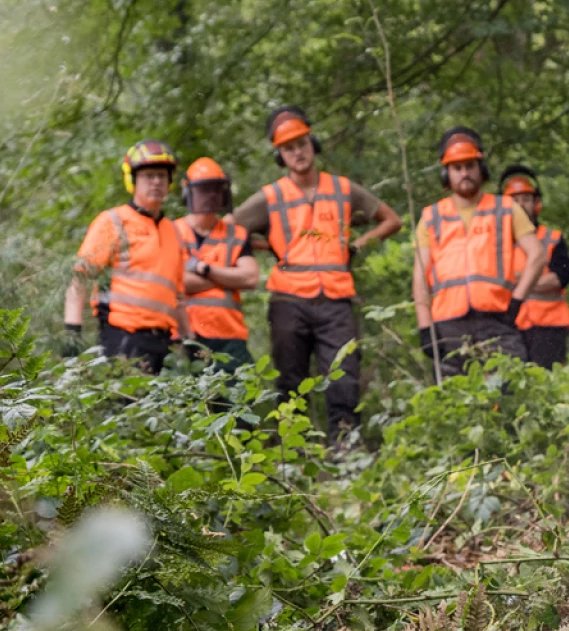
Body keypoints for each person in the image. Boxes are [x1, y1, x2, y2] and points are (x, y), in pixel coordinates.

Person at [231, 106, 402, 437]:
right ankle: (292, 455)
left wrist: (358, 245)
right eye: (288, 148)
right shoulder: (270, 196)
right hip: (288, 299)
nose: (297, 152)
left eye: (302, 144)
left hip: (336, 297)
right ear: (280, 155)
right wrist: (272, 247)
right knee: (290, 379)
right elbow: (228, 230)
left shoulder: (342, 189)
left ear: (314, 145)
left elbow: (391, 219)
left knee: (344, 375)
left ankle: (346, 453)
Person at [412, 127, 549, 375]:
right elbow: (420, 277)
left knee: (509, 392)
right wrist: (425, 328)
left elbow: (537, 255)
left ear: (481, 169)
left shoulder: (506, 208)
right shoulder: (431, 217)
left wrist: (517, 301)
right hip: (448, 325)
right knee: (454, 405)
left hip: (497, 320)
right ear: (447, 173)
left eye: (469, 166)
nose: (464, 173)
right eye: (457, 168)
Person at [63, 140, 190, 374]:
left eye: (162, 176)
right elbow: (80, 277)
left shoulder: (173, 231)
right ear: (132, 180)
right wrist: (72, 330)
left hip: (163, 341)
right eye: (149, 176)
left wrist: (188, 341)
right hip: (123, 336)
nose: (156, 182)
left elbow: (177, 296)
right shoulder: (113, 221)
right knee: (127, 406)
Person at [173, 158, 259, 371]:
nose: (210, 195)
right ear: (189, 193)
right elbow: (175, 282)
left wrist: (205, 270)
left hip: (229, 336)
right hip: (184, 337)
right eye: (203, 189)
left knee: (238, 401)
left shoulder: (236, 234)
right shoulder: (171, 232)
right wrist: (228, 277)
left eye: (215, 189)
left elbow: (250, 277)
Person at [498, 164, 569, 367]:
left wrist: (517, 279)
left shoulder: (552, 239)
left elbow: (560, 278)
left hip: (549, 327)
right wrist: (536, 278)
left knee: (547, 387)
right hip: (509, 324)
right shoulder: (496, 243)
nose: (520, 205)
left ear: (536, 203)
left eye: (525, 199)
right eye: (514, 201)